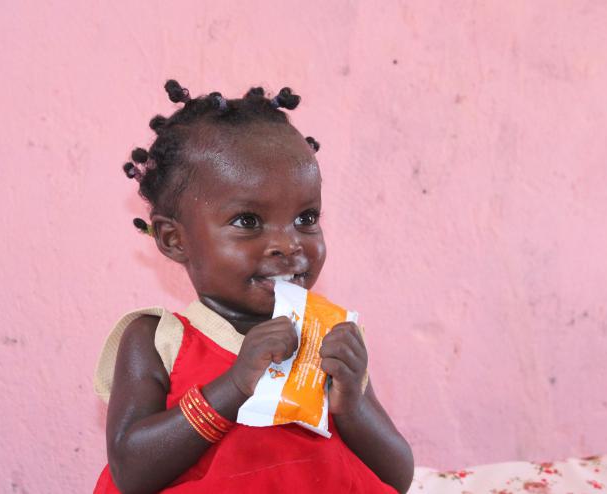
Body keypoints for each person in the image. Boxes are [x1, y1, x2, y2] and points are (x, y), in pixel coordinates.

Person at [93, 80, 414, 494]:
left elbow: (398, 477)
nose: (287, 244)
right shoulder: (157, 339)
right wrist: (235, 384)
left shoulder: (325, 334)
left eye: (305, 217)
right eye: (248, 221)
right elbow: (131, 473)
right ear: (174, 240)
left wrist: (350, 402)